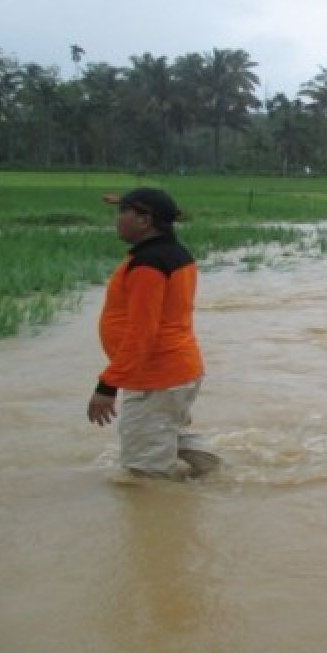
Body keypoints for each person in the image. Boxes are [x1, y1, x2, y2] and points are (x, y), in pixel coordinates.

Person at [88, 188, 219, 478]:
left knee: (143, 474)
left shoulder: (149, 266)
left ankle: (166, 513)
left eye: (123, 212)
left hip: (156, 379)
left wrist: (107, 386)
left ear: (145, 220)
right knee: (168, 433)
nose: (117, 219)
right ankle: (220, 478)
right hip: (176, 372)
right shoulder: (176, 254)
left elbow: (141, 333)